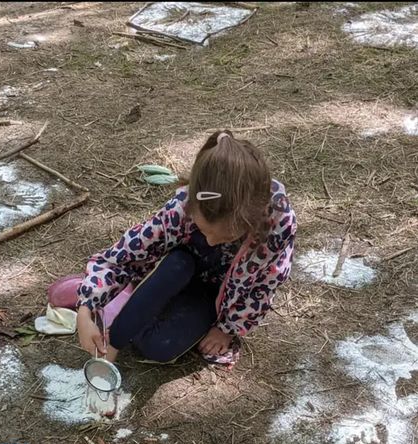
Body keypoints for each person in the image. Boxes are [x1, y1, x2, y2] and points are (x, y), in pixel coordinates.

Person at [76, 130, 296, 367]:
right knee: (177, 265)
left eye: (226, 236)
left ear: (251, 221)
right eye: (203, 230)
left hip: (217, 295)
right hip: (178, 271)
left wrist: (227, 328)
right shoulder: (180, 209)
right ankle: (120, 329)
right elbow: (118, 258)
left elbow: (264, 285)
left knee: (158, 348)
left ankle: (134, 308)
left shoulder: (277, 225)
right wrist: (85, 308)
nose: (211, 241)